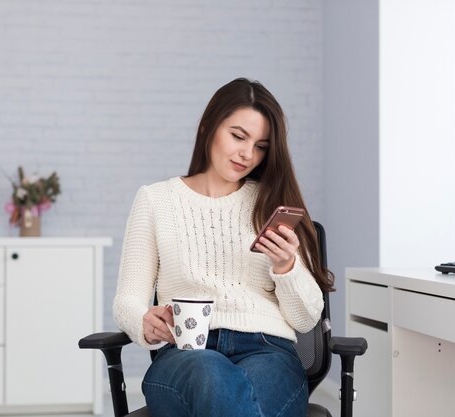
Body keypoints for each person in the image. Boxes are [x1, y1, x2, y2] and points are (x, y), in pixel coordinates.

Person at [113, 78, 334, 417]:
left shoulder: (271, 203)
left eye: (261, 146)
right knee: (211, 374)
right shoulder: (156, 201)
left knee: (228, 393)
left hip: (267, 350)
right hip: (187, 354)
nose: (248, 154)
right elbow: (127, 298)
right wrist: (143, 321)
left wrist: (286, 267)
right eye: (238, 136)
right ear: (208, 128)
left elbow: (305, 320)